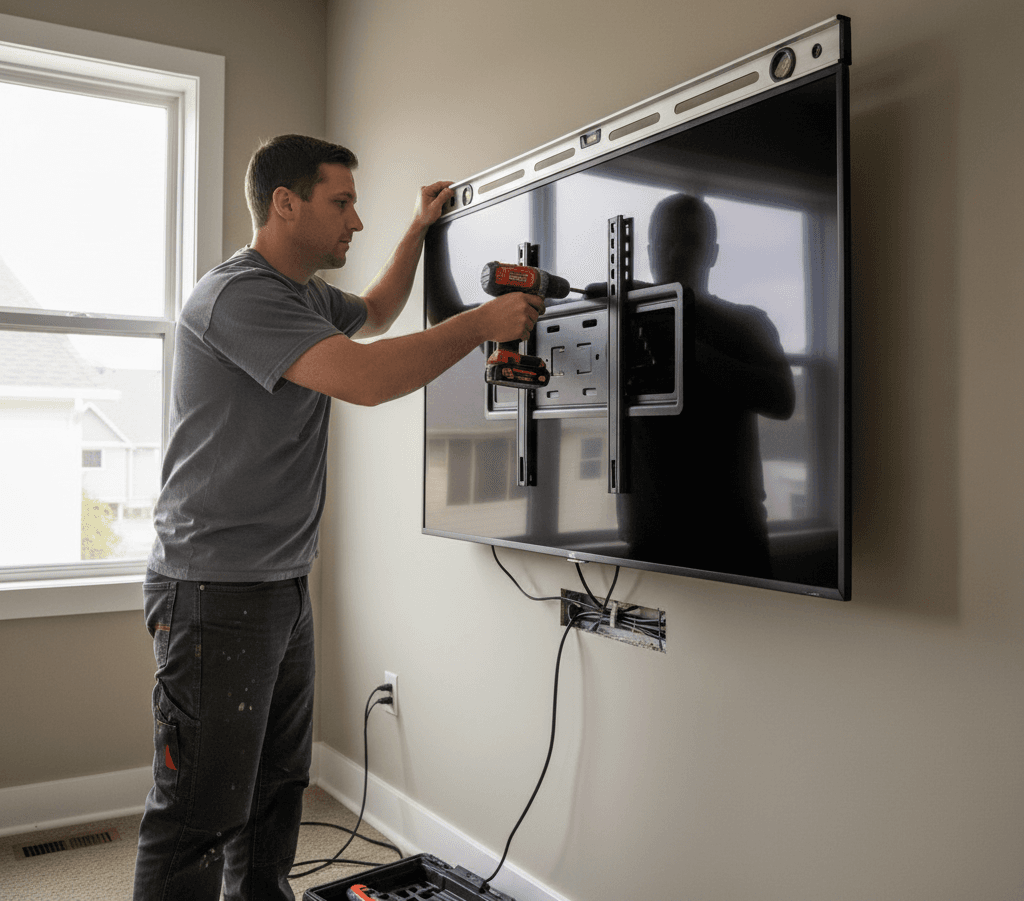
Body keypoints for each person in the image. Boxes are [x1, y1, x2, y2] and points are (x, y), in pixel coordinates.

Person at [132, 134, 543, 901]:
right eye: (342, 203)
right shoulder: (237, 295)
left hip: (281, 585)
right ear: (286, 205)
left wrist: (418, 232)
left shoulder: (304, 296)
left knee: (275, 790)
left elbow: (380, 312)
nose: (355, 221)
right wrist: (481, 326)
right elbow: (364, 379)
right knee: (198, 814)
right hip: (213, 593)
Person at [624, 193, 795, 578]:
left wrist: (680, 334)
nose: (676, 251)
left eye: (691, 240)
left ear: (713, 253)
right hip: (650, 543)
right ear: (649, 250)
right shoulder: (625, 324)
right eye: (665, 240)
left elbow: (782, 401)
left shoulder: (746, 322)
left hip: (734, 541)